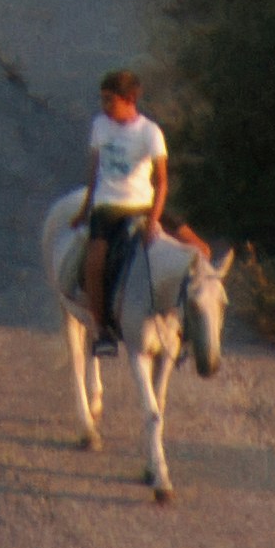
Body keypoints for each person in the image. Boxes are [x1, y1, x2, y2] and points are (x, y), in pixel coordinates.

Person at [77, 66, 170, 353]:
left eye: (110, 100)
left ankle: (184, 325)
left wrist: (154, 220)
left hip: (141, 205)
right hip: (108, 206)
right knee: (94, 263)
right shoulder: (100, 126)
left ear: (129, 99)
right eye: (102, 99)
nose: (105, 106)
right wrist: (85, 209)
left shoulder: (149, 132)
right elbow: (94, 172)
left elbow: (163, 181)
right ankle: (102, 328)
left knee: (197, 249)